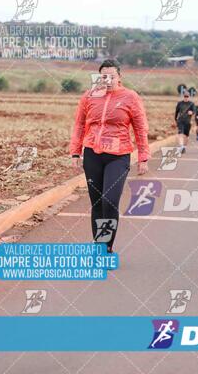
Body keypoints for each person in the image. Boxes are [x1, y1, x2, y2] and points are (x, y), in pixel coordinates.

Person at [70, 59, 150, 253]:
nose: (108, 79)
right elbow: (80, 124)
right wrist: (75, 151)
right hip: (92, 154)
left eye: (112, 76)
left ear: (119, 77)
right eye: (104, 76)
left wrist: (143, 156)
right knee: (97, 203)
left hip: (118, 155)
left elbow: (140, 128)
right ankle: (100, 247)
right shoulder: (89, 96)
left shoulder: (130, 97)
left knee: (109, 200)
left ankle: (107, 245)